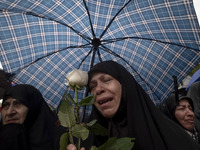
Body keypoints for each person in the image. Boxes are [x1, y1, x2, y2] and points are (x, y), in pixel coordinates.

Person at [67, 60, 200, 150]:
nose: (98, 89)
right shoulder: (87, 140)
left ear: (125, 85)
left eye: (106, 80)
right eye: (92, 86)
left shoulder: (170, 136)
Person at [0, 84, 65, 150]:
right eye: (6, 105)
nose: (9, 112)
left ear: (33, 108)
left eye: (18, 103)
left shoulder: (62, 143)